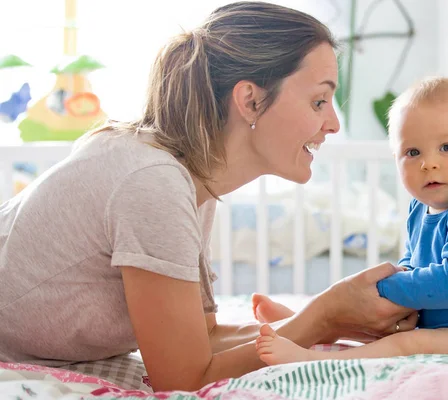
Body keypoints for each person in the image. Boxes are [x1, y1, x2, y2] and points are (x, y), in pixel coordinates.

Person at [0, 2, 416, 392]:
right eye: (319, 100)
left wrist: (334, 322)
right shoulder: (152, 182)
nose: (333, 124)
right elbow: (182, 376)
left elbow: (205, 338)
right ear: (250, 100)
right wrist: (323, 314)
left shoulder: (189, 179)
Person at [254, 77, 448, 365]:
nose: (429, 163)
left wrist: (381, 288)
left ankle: (311, 358)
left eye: (447, 147)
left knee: (407, 342)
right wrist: (384, 289)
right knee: (383, 325)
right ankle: (307, 325)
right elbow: (413, 263)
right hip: (444, 325)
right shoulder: (420, 208)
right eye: (413, 152)